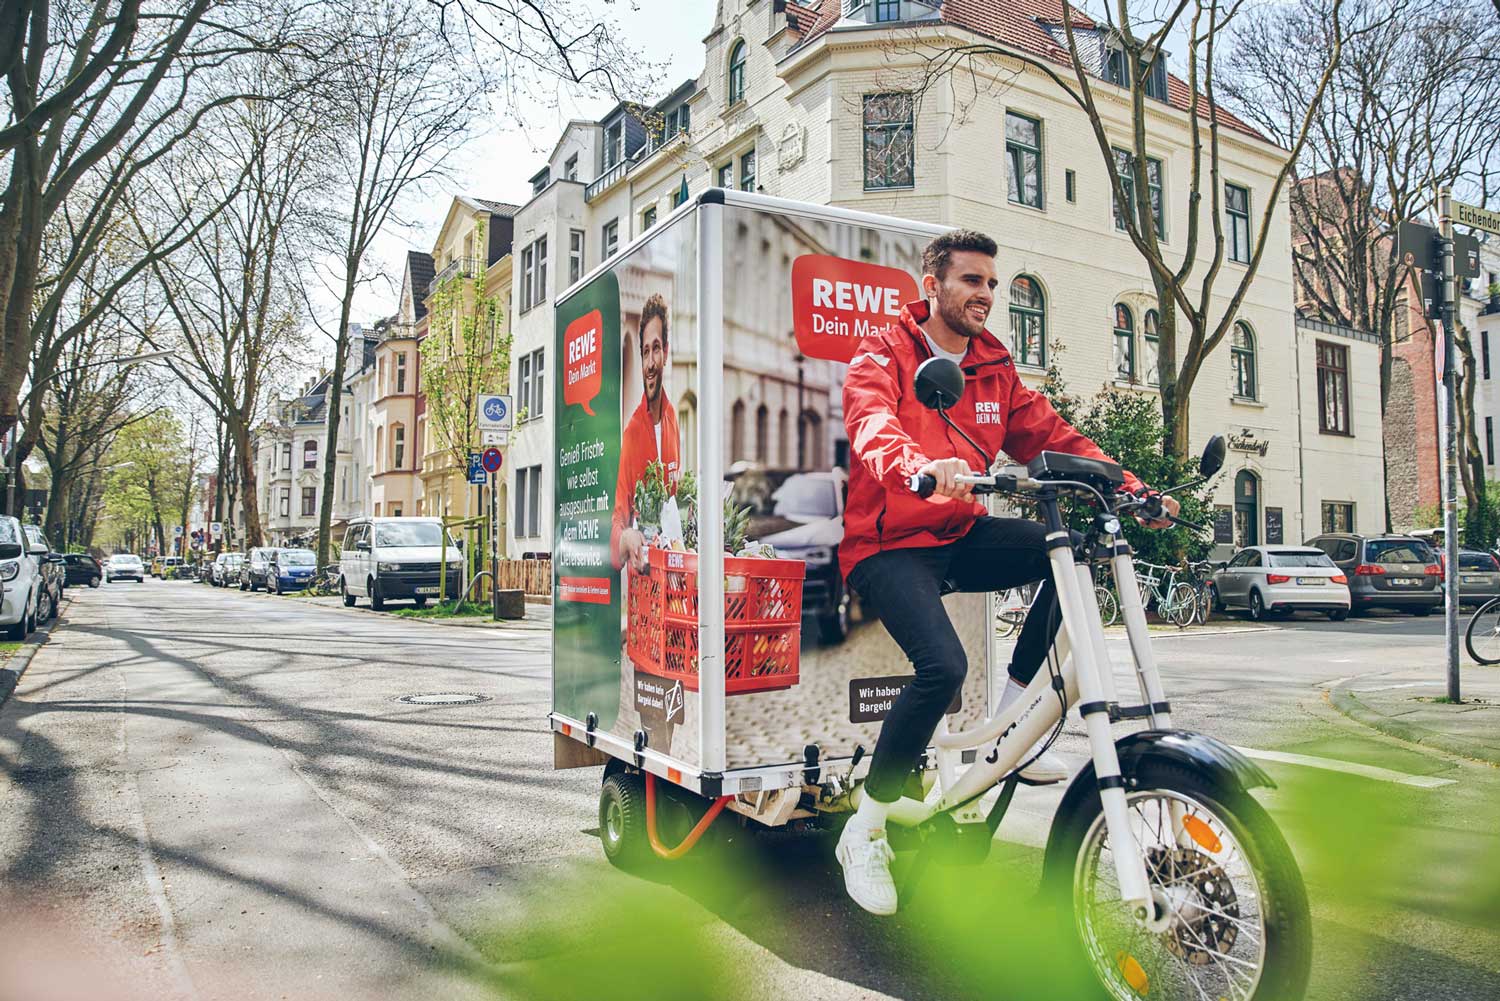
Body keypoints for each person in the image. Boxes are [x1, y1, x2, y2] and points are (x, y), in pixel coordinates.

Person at [834, 230, 1177, 916]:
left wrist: (1132, 488)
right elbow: (871, 422)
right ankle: (865, 827)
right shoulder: (885, 351)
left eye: (992, 282)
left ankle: (1006, 725)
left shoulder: (994, 364)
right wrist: (918, 469)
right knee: (943, 667)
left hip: (959, 534)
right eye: (971, 280)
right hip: (888, 544)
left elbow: (1054, 438)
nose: (986, 294)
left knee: (1070, 548)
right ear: (932, 286)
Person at [612, 293, 682, 572]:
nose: (650, 363)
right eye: (644, 352)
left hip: (674, 576)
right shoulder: (632, 432)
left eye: (655, 349)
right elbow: (618, 518)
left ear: (665, 351)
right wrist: (625, 537)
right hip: (643, 581)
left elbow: (675, 501)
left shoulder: (673, 420)